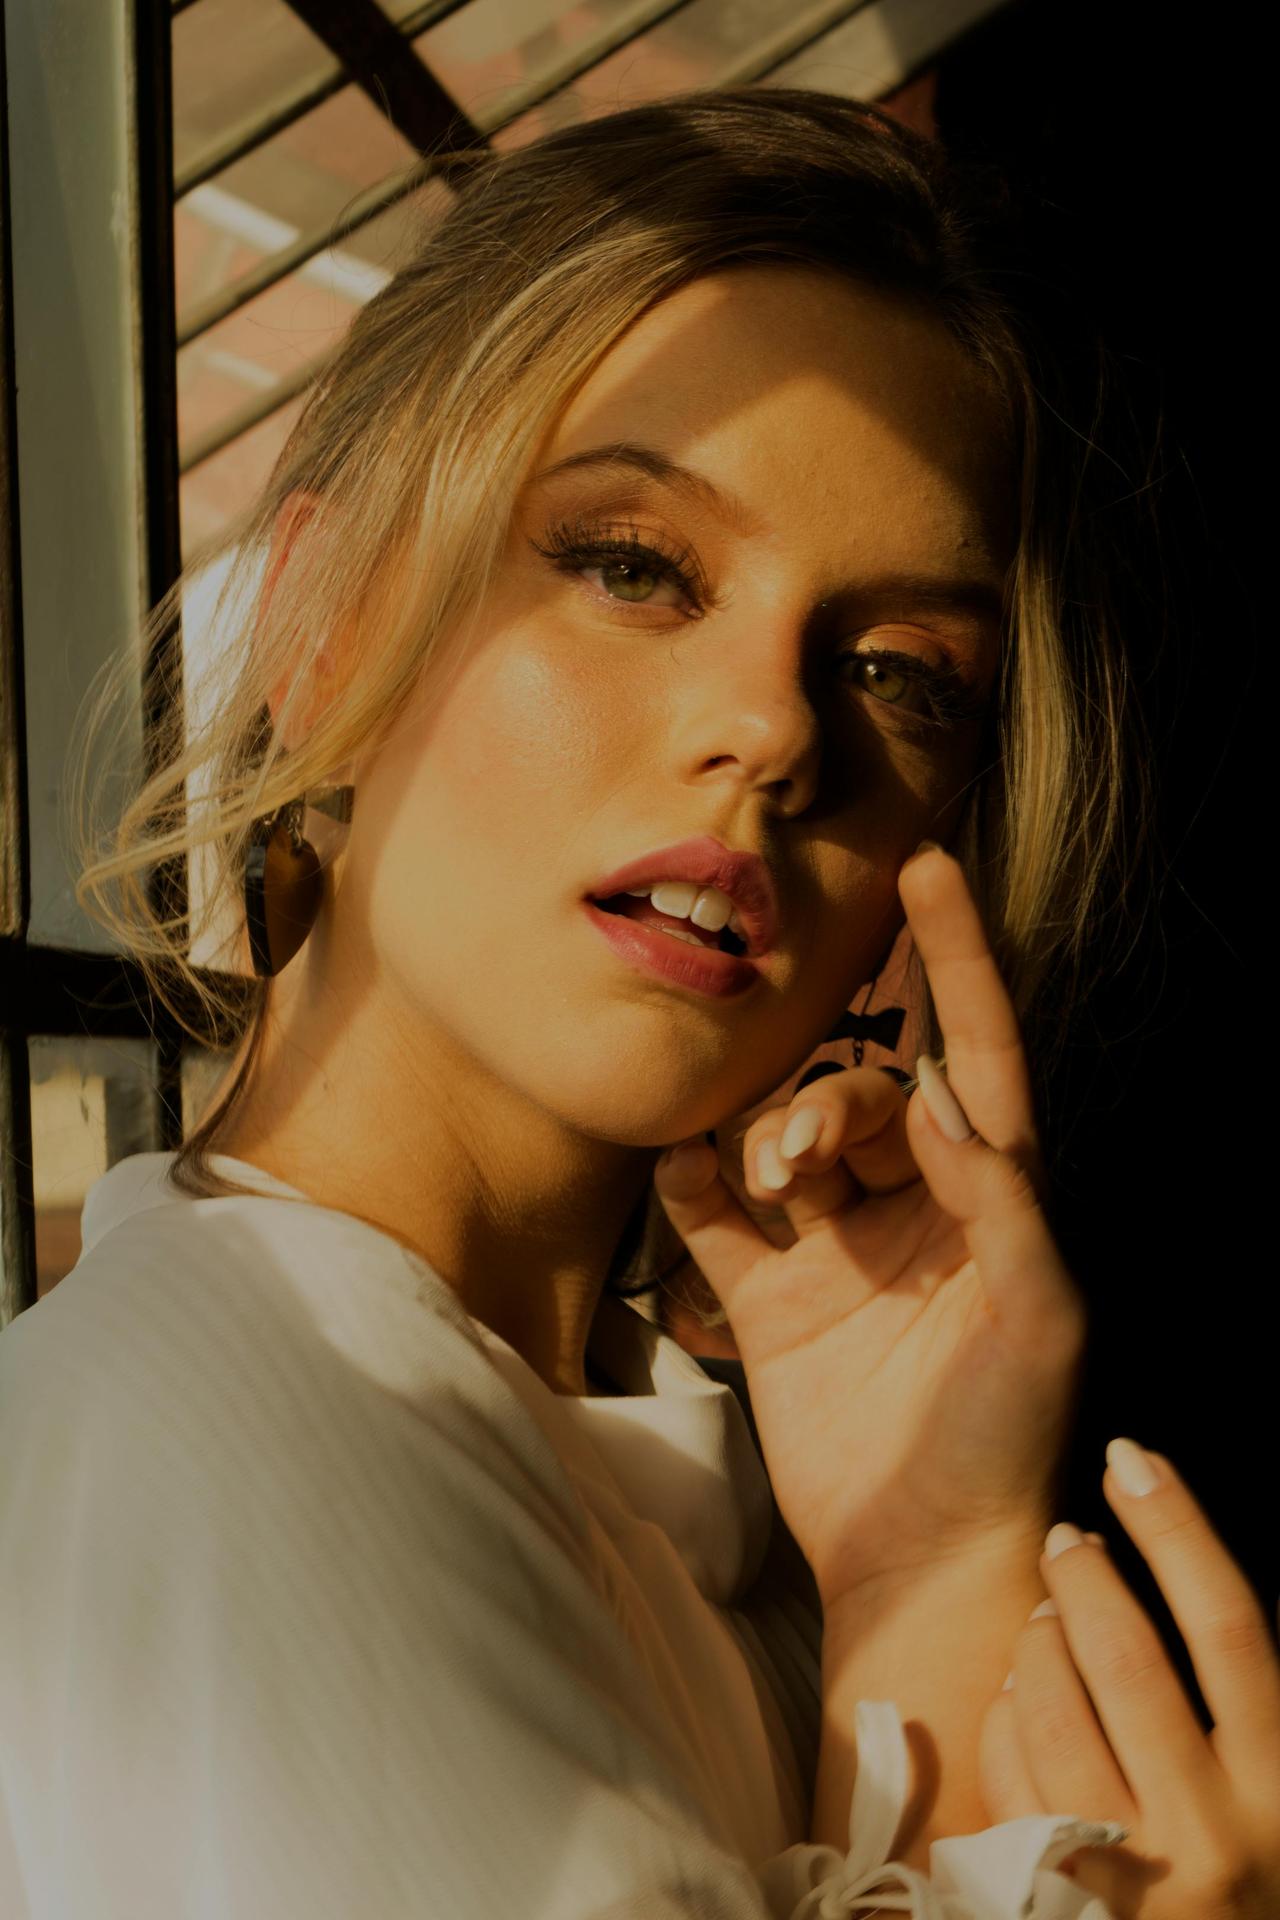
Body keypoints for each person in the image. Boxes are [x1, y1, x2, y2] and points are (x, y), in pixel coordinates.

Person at [1, 86, 1276, 1919]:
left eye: (901, 672)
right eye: (632, 566)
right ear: (321, 614)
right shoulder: (221, 1428)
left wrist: (924, 1563)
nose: (771, 727)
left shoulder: (712, 1494)